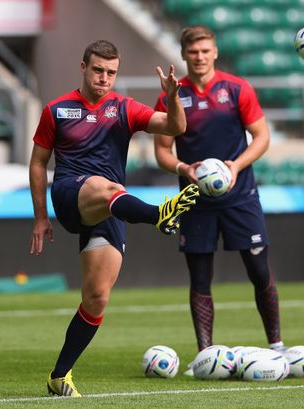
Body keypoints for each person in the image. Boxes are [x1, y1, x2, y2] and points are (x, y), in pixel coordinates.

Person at [29, 40, 200, 397]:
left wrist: (172, 97)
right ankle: (158, 215)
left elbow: (175, 128)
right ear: (83, 67)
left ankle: (59, 376)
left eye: (111, 72)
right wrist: (40, 217)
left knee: (97, 298)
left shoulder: (124, 108)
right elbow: (38, 163)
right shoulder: (57, 110)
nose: (104, 78)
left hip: (112, 207)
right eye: (98, 70)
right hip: (71, 195)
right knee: (106, 188)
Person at [153, 25, 285, 374]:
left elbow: (261, 136)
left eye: (205, 50)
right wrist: (184, 167)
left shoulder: (236, 88)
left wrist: (236, 167)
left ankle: (277, 346)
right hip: (194, 198)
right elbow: (162, 152)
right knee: (199, 277)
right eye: (193, 52)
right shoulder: (171, 94)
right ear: (183, 54)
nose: (199, 57)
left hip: (240, 195)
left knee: (259, 271)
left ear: (215, 52)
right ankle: (205, 354)